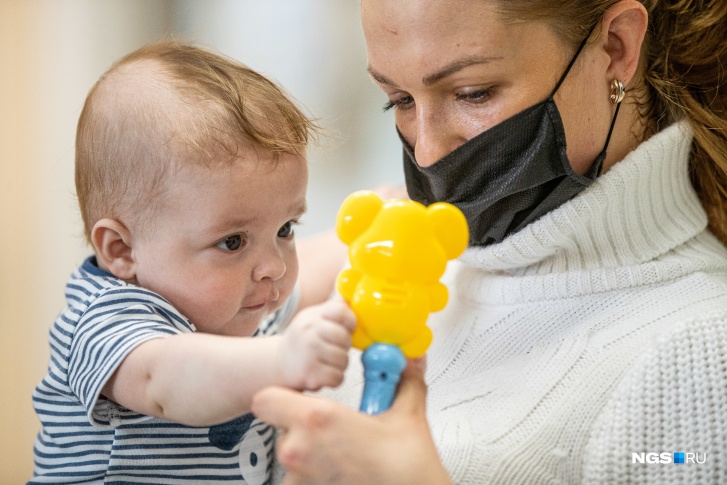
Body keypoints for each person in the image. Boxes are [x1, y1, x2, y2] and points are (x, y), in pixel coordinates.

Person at [251, 0, 727, 484]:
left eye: (473, 93)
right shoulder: (396, 267)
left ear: (616, 46)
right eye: (399, 101)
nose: (427, 151)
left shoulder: (700, 352)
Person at [29, 40, 356, 484]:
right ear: (122, 251)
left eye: (285, 229)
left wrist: (382, 225)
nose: (274, 267)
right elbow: (166, 382)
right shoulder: (106, 318)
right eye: (233, 241)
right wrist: (282, 359)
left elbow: (317, 265)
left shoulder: (241, 304)